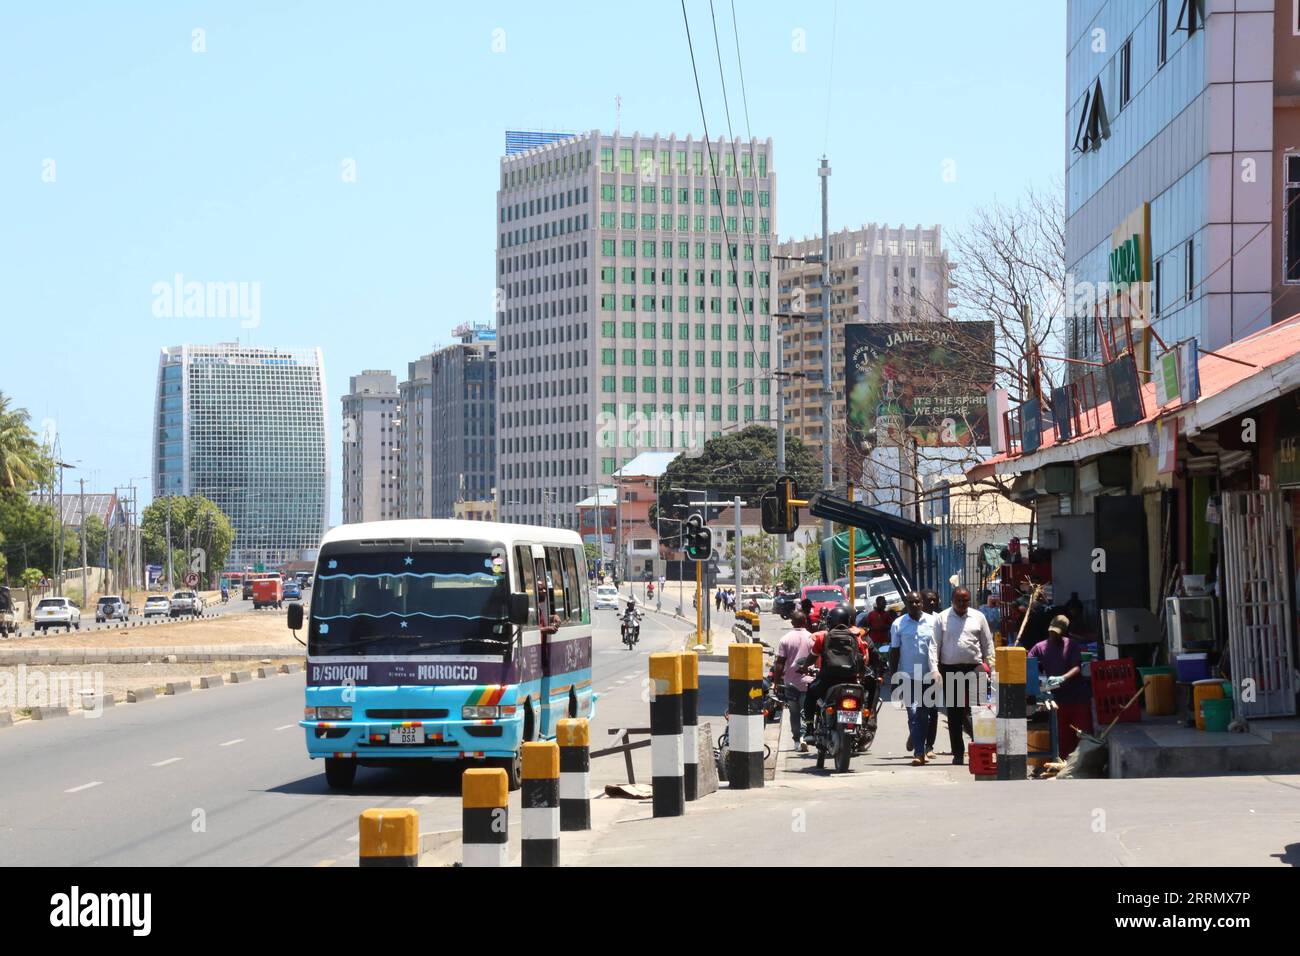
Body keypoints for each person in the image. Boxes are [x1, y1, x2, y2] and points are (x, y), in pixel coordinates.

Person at [933, 587, 994, 765]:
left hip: (974, 667)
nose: (962, 604)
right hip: (950, 669)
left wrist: (992, 667)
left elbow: (987, 644)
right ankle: (958, 753)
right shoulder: (942, 618)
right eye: (958, 600)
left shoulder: (978, 617)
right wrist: (935, 669)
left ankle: (982, 749)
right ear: (952, 600)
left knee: (980, 710)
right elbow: (934, 645)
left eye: (965, 600)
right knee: (955, 713)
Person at [800, 604, 871, 739]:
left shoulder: (823, 637)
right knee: (863, 702)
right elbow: (863, 659)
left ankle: (809, 728)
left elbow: (812, 657)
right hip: (850, 680)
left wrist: (804, 667)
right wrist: (860, 675)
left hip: (827, 680)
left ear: (829, 621)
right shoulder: (856, 638)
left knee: (810, 693)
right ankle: (861, 727)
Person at [1029, 614, 1092, 757]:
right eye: (1051, 632)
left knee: (1083, 735)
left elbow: (1076, 667)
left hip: (1078, 697)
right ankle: (1064, 764)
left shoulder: (1071, 645)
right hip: (1058, 700)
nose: (1053, 635)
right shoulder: (1040, 647)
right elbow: (1029, 664)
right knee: (1063, 737)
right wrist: (1038, 684)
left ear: (1064, 632)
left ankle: (1086, 763)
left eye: (1056, 633)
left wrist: (1062, 678)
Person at [889, 591, 940, 766]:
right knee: (913, 713)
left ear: (922, 603)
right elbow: (894, 653)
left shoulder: (934, 622)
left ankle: (917, 739)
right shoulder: (898, 624)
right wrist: (893, 677)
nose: (916, 605)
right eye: (912, 603)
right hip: (908, 676)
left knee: (924, 715)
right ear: (906, 604)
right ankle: (919, 752)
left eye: (918, 602)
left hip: (929, 675)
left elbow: (938, 649)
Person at [772, 611, 815, 752]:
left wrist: (777, 682)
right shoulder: (812, 638)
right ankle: (805, 736)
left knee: (794, 713)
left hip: (790, 683)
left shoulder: (785, 639)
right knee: (807, 712)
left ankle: (797, 740)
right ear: (805, 622)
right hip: (808, 681)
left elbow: (779, 663)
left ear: (792, 623)